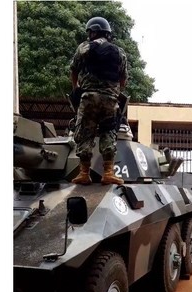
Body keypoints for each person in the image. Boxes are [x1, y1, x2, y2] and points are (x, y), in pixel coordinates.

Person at [69, 16, 128, 185]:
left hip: (88, 98)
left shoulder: (84, 48)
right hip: (110, 100)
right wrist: (115, 92)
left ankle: (84, 173)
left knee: (84, 132)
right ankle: (108, 172)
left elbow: (73, 70)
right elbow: (123, 78)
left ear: (93, 32)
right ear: (107, 33)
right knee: (108, 132)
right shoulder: (119, 52)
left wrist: (76, 89)